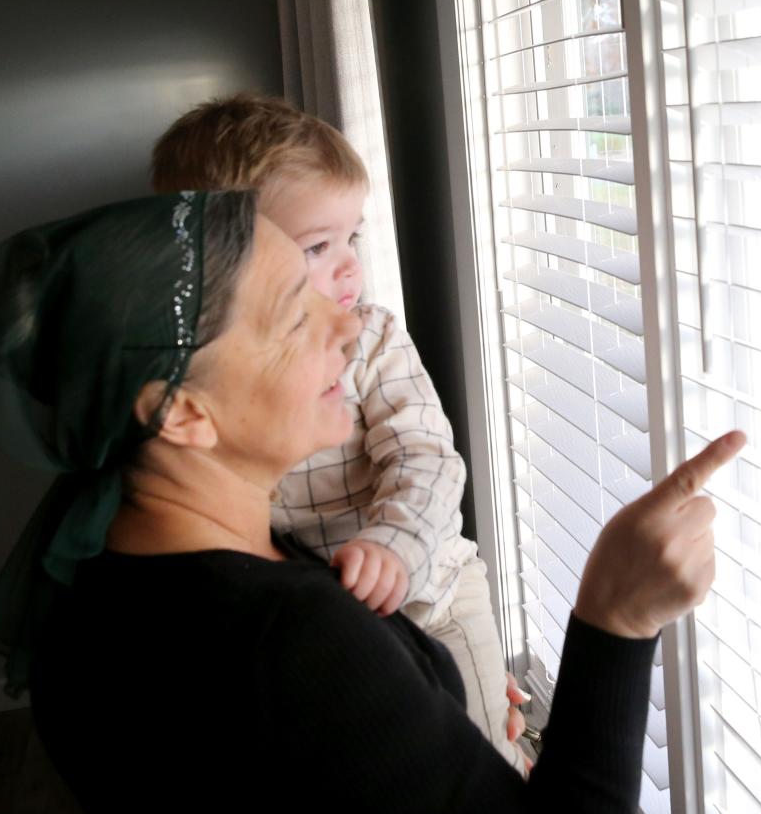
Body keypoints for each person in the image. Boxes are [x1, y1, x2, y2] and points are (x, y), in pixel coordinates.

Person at [0, 189, 745, 814]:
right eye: (292, 317)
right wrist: (617, 620)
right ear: (180, 413)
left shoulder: (92, 585)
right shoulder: (286, 641)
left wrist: (426, 720)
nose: (347, 327)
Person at [151, 93, 528, 770]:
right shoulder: (204, 375)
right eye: (318, 246)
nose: (351, 265)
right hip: (330, 629)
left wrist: (394, 543)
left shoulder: (375, 335)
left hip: (429, 594)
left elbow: (426, 456)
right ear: (225, 255)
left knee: (483, 757)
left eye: (352, 236)